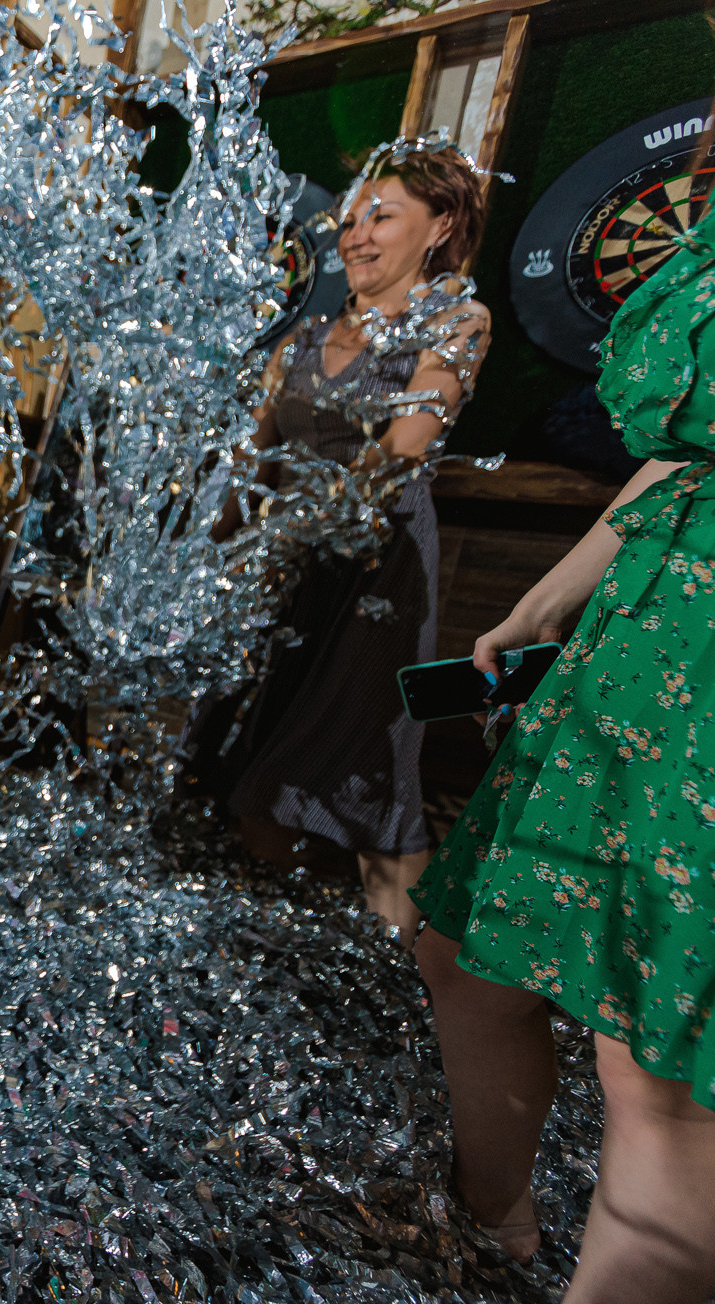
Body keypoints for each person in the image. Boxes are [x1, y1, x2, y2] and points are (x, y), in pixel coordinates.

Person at [409, 207, 715, 1304]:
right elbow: (681, 454)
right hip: (635, 644)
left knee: (656, 1077)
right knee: (464, 957)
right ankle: (493, 1217)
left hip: (703, 691)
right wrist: (544, 601)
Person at [215, 145, 489, 935]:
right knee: (259, 777)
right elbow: (249, 469)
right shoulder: (299, 343)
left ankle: (409, 974)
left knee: (371, 773)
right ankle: (281, 954)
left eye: (382, 216)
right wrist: (206, 554)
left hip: (378, 578)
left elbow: (407, 442)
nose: (356, 235)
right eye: (349, 221)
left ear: (441, 225)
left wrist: (303, 520)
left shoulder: (458, 321)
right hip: (283, 578)